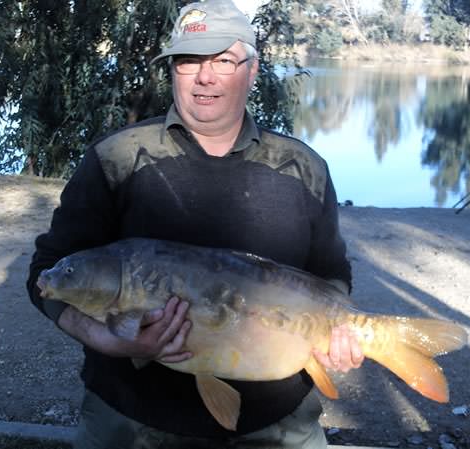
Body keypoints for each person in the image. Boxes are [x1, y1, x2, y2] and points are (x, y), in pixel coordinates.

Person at [27, 0, 364, 448]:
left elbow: (333, 275)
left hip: (279, 423)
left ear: (253, 69)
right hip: (131, 420)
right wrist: (107, 340)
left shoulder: (303, 168)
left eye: (223, 60)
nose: (205, 77)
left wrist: (339, 331)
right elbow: (46, 273)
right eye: (189, 61)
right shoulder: (116, 157)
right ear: (172, 71)